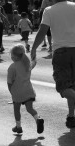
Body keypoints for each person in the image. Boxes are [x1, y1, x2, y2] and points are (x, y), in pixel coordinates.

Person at [31, 0, 75, 128]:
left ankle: (72, 116)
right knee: (72, 85)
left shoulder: (49, 10)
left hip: (61, 52)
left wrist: (34, 48)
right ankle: (71, 116)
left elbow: (42, 31)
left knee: (63, 86)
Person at [7, 44, 44, 134]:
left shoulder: (12, 67)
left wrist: (12, 92)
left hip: (17, 92)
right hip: (28, 91)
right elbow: (34, 62)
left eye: (11, 55)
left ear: (14, 56)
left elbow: (9, 82)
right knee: (30, 108)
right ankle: (38, 119)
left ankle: (18, 127)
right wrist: (34, 55)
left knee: (16, 109)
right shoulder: (27, 64)